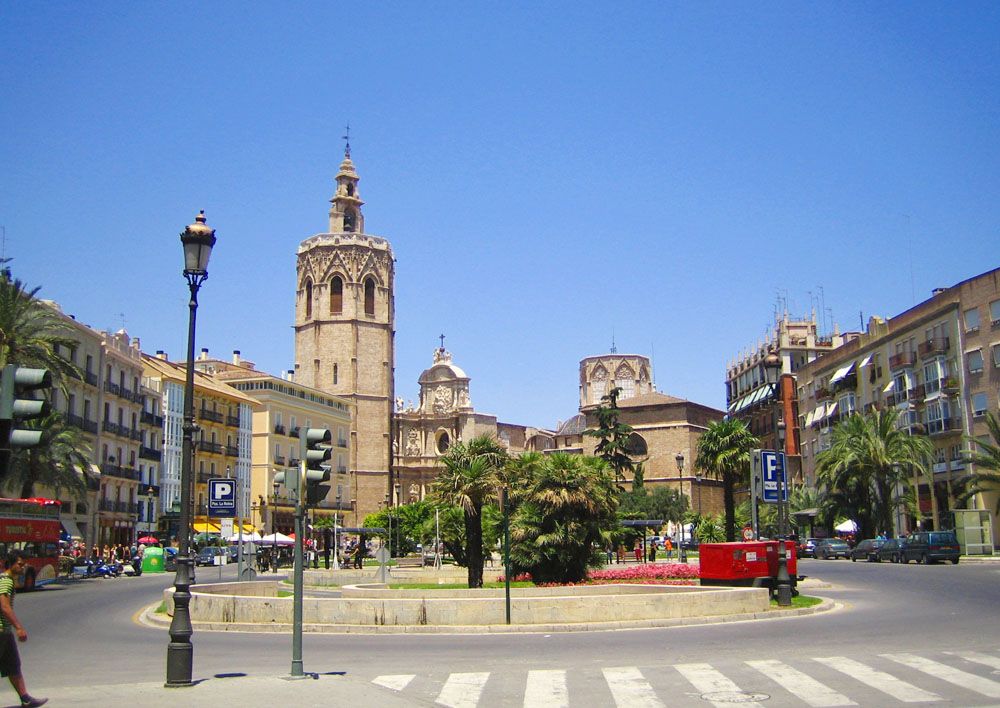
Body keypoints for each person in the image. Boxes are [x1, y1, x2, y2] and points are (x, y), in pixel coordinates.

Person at [0, 551, 47, 707]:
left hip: (5, 632)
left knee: (13, 665)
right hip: (1, 632)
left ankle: (25, 698)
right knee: (12, 665)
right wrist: (19, 627)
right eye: (20, 564)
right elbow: (5, 607)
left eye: (24, 564)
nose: (23, 567)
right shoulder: (6, 580)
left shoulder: (8, 580)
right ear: (11, 564)